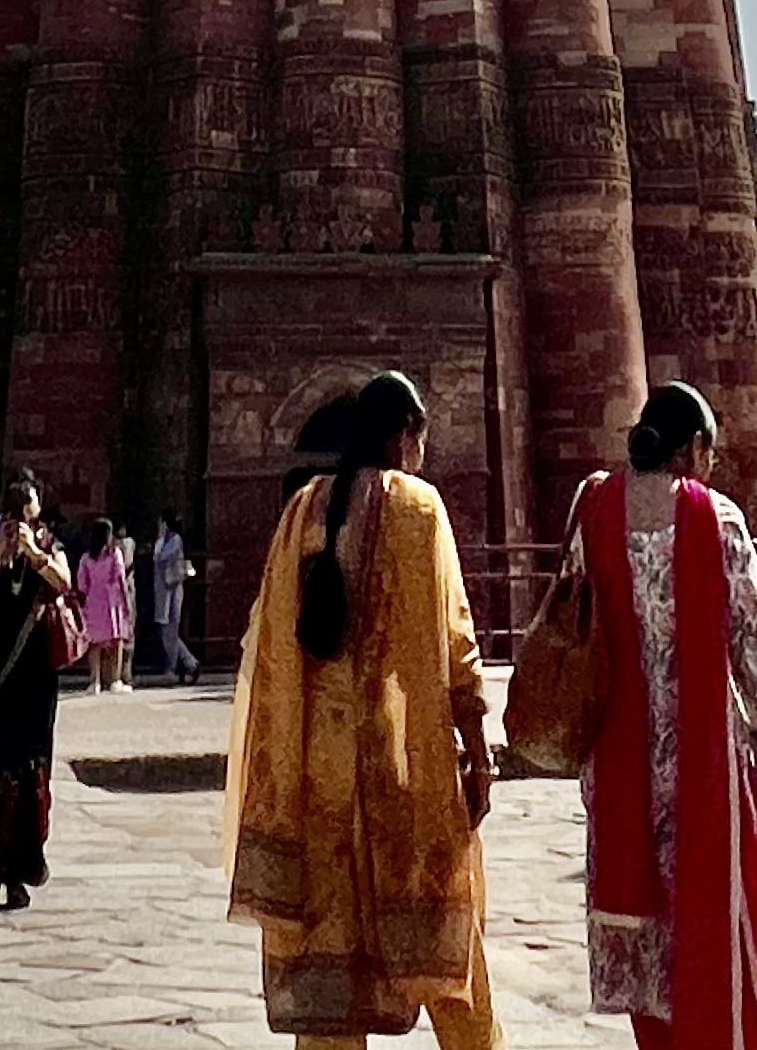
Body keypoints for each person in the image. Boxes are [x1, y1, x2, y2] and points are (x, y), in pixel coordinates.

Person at [228, 369, 497, 1047]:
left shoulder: (301, 512)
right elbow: (454, 644)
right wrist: (477, 752)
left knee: (326, 971)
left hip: (314, 780)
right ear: (405, 434)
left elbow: (267, 635)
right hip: (401, 771)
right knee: (444, 945)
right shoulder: (417, 509)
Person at [577, 379, 757, 1050]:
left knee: (648, 939)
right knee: (718, 936)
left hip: (618, 770)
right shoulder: (714, 520)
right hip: (701, 774)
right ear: (692, 450)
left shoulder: (593, 510)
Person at [0, 469, 74, 907]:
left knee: (30, 775)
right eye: (15, 514)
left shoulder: (48, 548)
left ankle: (20, 872)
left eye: (30, 514)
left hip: (35, 679)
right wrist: (0, 554)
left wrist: (32, 551)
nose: (22, 522)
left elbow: (64, 583)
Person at [76, 517, 133, 689]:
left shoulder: (86, 558)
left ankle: (95, 680)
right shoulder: (114, 554)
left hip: (93, 601)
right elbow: (120, 578)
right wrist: (127, 602)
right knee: (116, 641)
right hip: (112, 601)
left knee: (94, 642)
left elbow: (81, 584)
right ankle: (115, 680)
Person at [154, 510, 200, 684]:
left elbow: (160, 557)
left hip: (172, 591)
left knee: (170, 630)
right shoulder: (166, 541)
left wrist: (160, 537)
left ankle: (177, 665)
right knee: (167, 631)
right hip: (163, 590)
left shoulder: (174, 540)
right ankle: (188, 662)